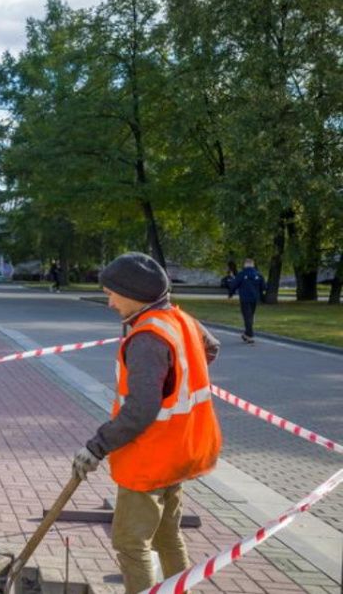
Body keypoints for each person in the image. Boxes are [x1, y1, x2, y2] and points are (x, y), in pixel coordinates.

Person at [73, 252, 222, 593]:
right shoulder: (179, 320)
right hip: (181, 450)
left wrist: (96, 447)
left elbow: (140, 410)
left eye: (111, 293)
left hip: (150, 456)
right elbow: (210, 349)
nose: (109, 301)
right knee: (167, 538)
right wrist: (175, 378)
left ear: (134, 295)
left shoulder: (147, 338)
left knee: (130, 542)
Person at [228, 258, 265, 344]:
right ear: (253, 264)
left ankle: (250, 335)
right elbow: (263, 287)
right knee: (251, 315)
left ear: (245, 264)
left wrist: (231, 293)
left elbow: (234, 285)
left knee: (247, 316)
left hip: (245, 298)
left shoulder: (241, 274)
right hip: (255, 299)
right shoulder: (258, 274)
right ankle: (246, 334)